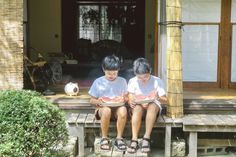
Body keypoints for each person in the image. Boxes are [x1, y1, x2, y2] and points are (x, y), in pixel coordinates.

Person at [127, 58, 168, 153]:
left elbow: (165, 100)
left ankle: (146, 137)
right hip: (138, 106)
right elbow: (130, 96)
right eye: (139, 77)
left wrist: (157, 96)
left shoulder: (157, 81)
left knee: (152, 106)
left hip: (153, 107)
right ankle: (134, 139)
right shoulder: (132, 81)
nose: (143, 80)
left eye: (145, 77)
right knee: (137, 108)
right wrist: (131, 101)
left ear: (150, 72)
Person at [88, 55, 128, 151]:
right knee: (106, 110)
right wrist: (98, 101)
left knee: (123, 110)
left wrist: (124, 98)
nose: (111, 75)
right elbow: (91, 100)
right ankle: (104, 138)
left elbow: (126, 98)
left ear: (118, 70)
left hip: (117, 108)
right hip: (102, 109)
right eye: (109, 73)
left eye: (114, 73)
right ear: (103, 69)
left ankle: (119, 138)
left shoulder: (122, 81)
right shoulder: (98, 82)